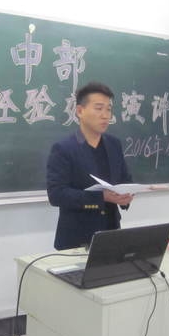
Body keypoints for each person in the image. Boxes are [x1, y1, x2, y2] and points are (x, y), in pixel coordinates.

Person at [46, 81, 133, 250]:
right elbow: (56, 195)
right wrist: (102, 197)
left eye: (108, 109)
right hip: (76, 240)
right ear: (80, 111)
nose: (105, 116)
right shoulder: (64, 148)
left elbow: (125, 179)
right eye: (99, 108)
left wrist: (126, 196)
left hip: (111, 234)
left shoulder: (114, 144)